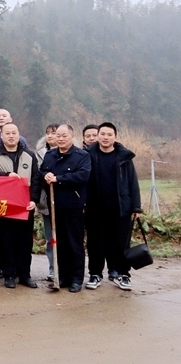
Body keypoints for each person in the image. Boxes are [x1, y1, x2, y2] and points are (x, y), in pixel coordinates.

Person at [85, 122, 141, 291]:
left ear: (115, 137)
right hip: (95, 208)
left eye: (109, 134)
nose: (105, 137)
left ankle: (123, 274)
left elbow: (133, 183)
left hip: (120, 207)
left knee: (120, 242)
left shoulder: (124, 157)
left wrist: (136, 207)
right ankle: (95, 274)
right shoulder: (88, 155)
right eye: (102, 134)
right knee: (95, 243)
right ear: (97, 136)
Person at [40, 124, 91, 293]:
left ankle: (76, 279)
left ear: (72, 137)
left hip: (73, 205)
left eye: (64, 136)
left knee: (74, 242)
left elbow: (82, 175)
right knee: (58, 242)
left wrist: (59, 179)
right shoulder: (50, 155)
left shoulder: (82, 156)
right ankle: (62, 276)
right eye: (58, 136)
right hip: (55, 205)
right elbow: (42, 172)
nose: (61, 139)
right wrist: (46, 175)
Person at [0, 123, 40, 288]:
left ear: (19, 135)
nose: (11, 136)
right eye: (8, 133)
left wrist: (34, 200)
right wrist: (6, 175)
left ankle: (24, 275)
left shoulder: (29, 155)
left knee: (25, 242)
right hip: (4, 206)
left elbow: (36, 179)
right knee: (6, 242)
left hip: (25, 206)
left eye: (14, 133)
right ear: (1, 136)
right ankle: (9, 275)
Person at [36, 123, 59, 281]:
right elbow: (37, 175)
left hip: (67, 202)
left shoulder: (76, 153)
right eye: (48, 133)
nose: (50, 136)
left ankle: (68, 269)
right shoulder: (40, 154)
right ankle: (53, 268)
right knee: (51, 238)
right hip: (47, 201)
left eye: (54, 133)